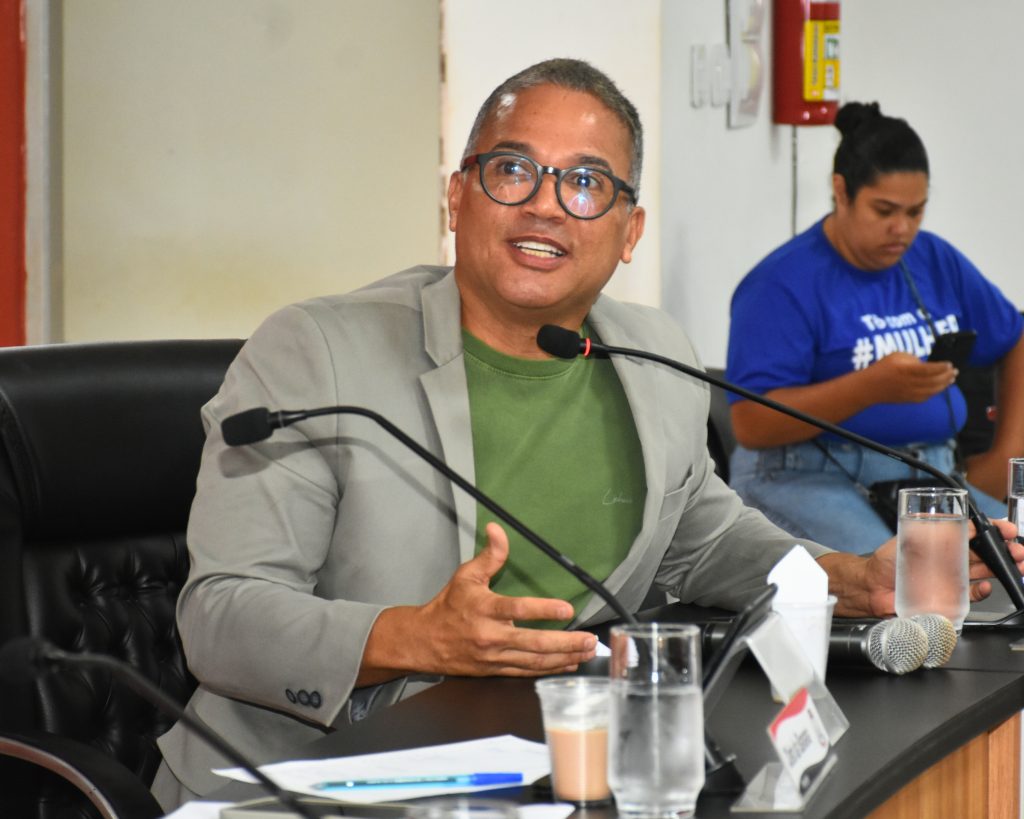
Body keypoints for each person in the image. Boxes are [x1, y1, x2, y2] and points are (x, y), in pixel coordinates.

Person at [152, 67, 1021, 810]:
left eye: (585, 182)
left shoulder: (651, 352)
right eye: (512, 170)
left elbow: (703, 536)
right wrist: (412, 635)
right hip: (317, 781)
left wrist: (841, 576)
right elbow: (219, 617)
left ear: (629, 230)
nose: (544, 205)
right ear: (457, 196)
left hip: (560, 767)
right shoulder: (315, 353)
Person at [725, 101, 1024, 554]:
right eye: (884, 211)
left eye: (916, 212)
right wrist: (870, 387)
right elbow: (751, 423)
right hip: (805, 474)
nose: (901, 229)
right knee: (904, 578)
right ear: (841, 191)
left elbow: (1014, 336)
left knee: (1011, 563)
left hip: (929, 475)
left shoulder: (933, 258)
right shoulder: (780, 283)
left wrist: (1006, 456)